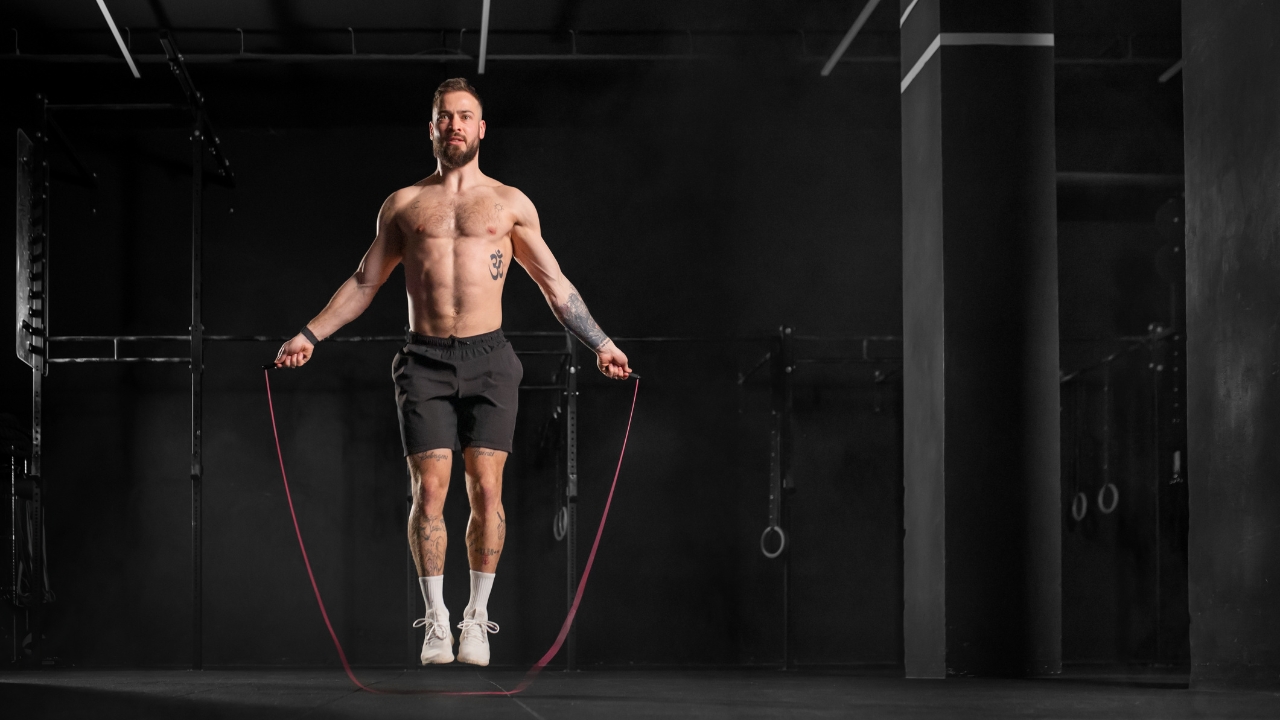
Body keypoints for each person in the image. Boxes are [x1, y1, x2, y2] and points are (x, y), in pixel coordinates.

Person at [274, 77, 631, 667]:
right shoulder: (405, 205)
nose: (455, 125)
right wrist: (310, 334)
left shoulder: (511, 204)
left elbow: (555, 284)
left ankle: (476, 618)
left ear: (482, 127)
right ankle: (437, 618)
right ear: (432, 127)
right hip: (425, 359)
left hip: (490, 359)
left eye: (466, 116)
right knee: (431, 492)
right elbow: (366, 282)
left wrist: (601, 342)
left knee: (487, 490)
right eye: (445, 116)